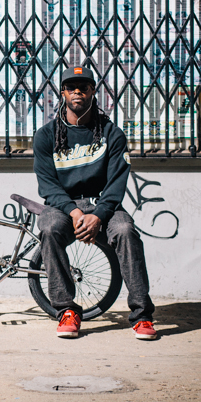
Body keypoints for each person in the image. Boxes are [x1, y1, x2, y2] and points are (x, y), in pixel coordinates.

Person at [32, 66, 157, 340]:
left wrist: (99, 215)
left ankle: (142, 315)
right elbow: (48, 185)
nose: (78, 91)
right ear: (62, 93)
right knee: (50, 230)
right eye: (71, 87)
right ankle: (66, 310)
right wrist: (75, 211)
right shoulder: (46, 136)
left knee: (126, 231)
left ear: (93, 92)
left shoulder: (111, 134)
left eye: (84, 87)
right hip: (64, 206)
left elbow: (117, 182)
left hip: (104, 205)